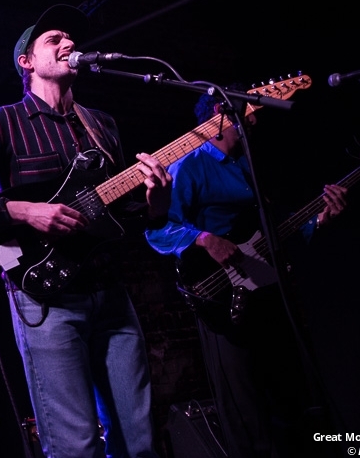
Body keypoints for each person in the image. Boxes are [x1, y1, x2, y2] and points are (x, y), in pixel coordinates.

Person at [0, 4, 172, 458]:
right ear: (26, 62)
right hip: (46, 300)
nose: (68, 44)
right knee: (75, 445)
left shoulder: (100, 124)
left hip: (111, 293)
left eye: (70, 38)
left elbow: (123, 215)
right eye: (53, 39)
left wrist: (156, 200)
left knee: (140, 440)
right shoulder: (2, 122)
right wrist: (25, 211)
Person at [144, 91, 347, 458]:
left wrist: (318, 220)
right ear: (224, 112)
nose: (255, 120)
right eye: (251, 112)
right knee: (245, 409)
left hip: (265, 289)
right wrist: (204, 239)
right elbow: (158, 230)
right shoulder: (189, 164)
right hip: (220, 296)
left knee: (288, 398)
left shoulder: (247, 162)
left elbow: (268, 228)